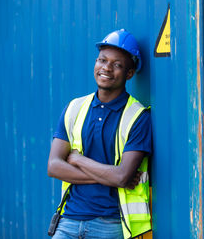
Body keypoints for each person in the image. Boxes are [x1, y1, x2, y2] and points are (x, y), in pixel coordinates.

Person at [47, 29, 152, 239]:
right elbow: (54, 166)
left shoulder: (138, 116)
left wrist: (77, 159)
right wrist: (109, 176)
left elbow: (122, 177)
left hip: (110, 224)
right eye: (102, 60)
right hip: (68, 219)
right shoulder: (74, 108)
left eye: (117, 64)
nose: (106, 68)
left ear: (129, 73)